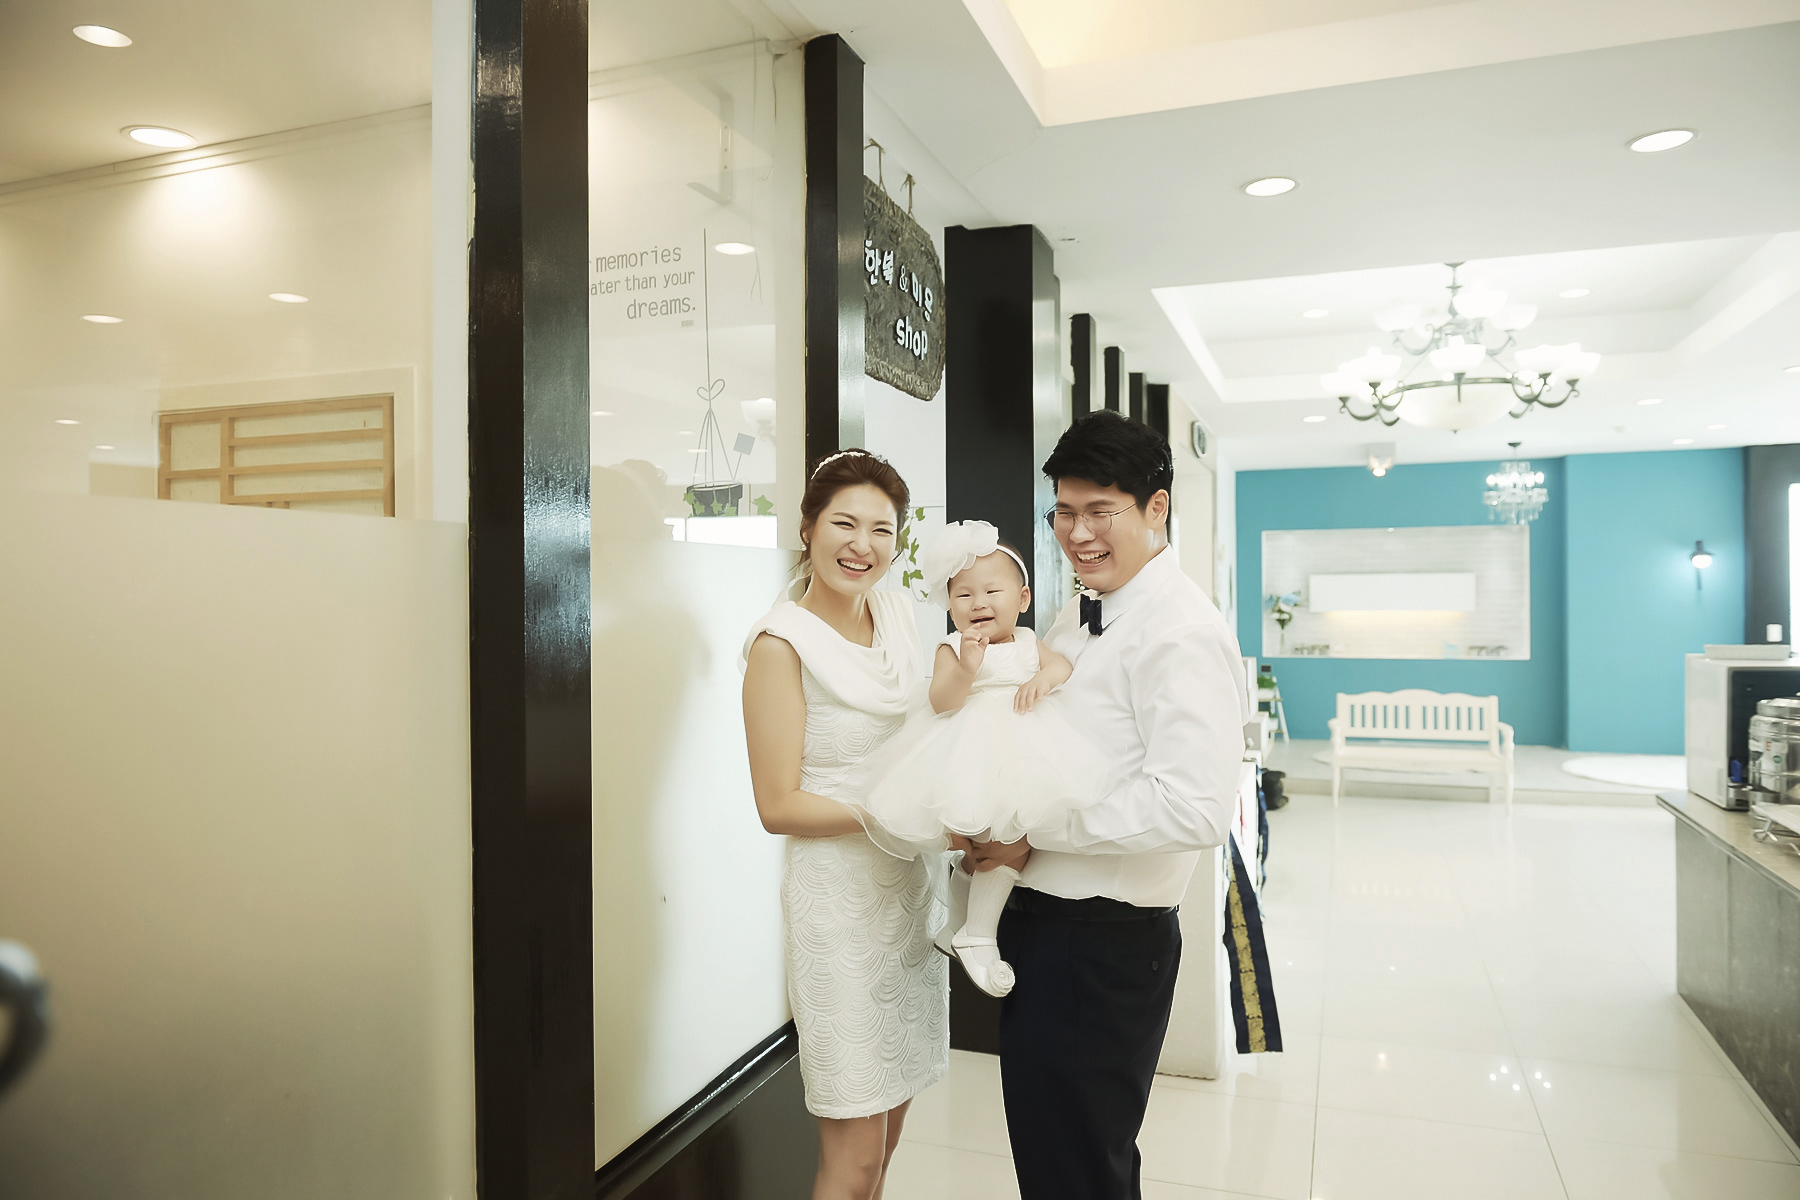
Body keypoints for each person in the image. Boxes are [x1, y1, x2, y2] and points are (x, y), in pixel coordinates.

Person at [956, 411, 1247, 1200]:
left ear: (1157, 508)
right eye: (1063, 512)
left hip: (1099, 945)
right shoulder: (1081, 609)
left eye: (1099, 511)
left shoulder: (1179, 632)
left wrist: (1027, 826)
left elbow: (1193, 809)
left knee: (1077, 1171)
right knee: (1067, 1164)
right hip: (1048, 930)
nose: (1077, 533)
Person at [740, 449, 948, 1200]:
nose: (863, 545)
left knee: (885, 1148)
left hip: (908, 900)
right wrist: (898, 815)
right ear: (807, 528)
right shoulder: (780, 646)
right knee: (853, 1159)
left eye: (882, 530)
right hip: (837, 911)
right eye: (844, 524)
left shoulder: (897, 617)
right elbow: (778, 806)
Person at [853, 519, 1106, 998]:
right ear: (949, 605)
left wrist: (1043, 679)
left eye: (992, 591)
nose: (979, 603)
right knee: (1001, 846)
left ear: (1023, 599)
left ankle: (957, 925)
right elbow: (942, 701)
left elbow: (1061, 666)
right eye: (964, 595)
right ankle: (978, 934)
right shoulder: (951, 647)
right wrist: (967, 667)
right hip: (970, 753)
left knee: (1002, 845)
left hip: (1023, 751)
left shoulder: (1028, 641)